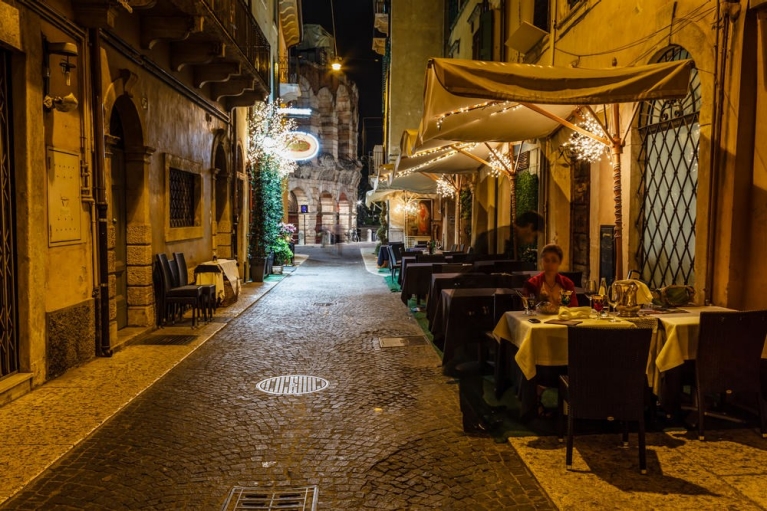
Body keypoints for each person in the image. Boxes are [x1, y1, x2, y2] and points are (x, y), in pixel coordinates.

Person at [522, 243, 579, 307]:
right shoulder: (532, 283)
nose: (550, 264)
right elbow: (526, 307)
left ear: (560, 262)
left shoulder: (567, 284)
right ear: (541, 261)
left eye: (554, 261)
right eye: (546, 260)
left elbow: (574, 308)